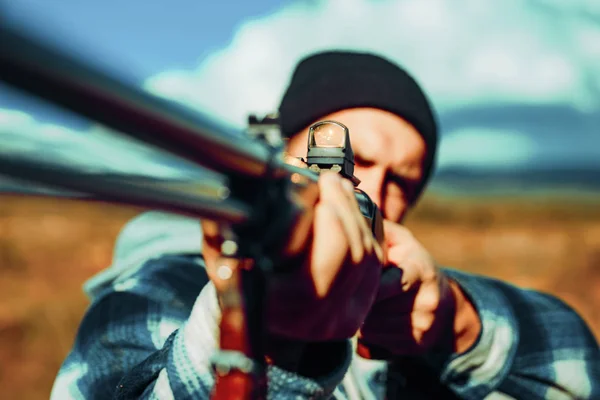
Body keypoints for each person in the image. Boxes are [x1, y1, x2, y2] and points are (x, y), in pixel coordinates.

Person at [50, 51, 600, 399]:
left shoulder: (409, 303)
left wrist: (457, 323)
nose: (373, 191)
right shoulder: (165, 281)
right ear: (283, 152)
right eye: (352, 158)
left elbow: (576, 363)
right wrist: (265, 330)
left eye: (403, 181)